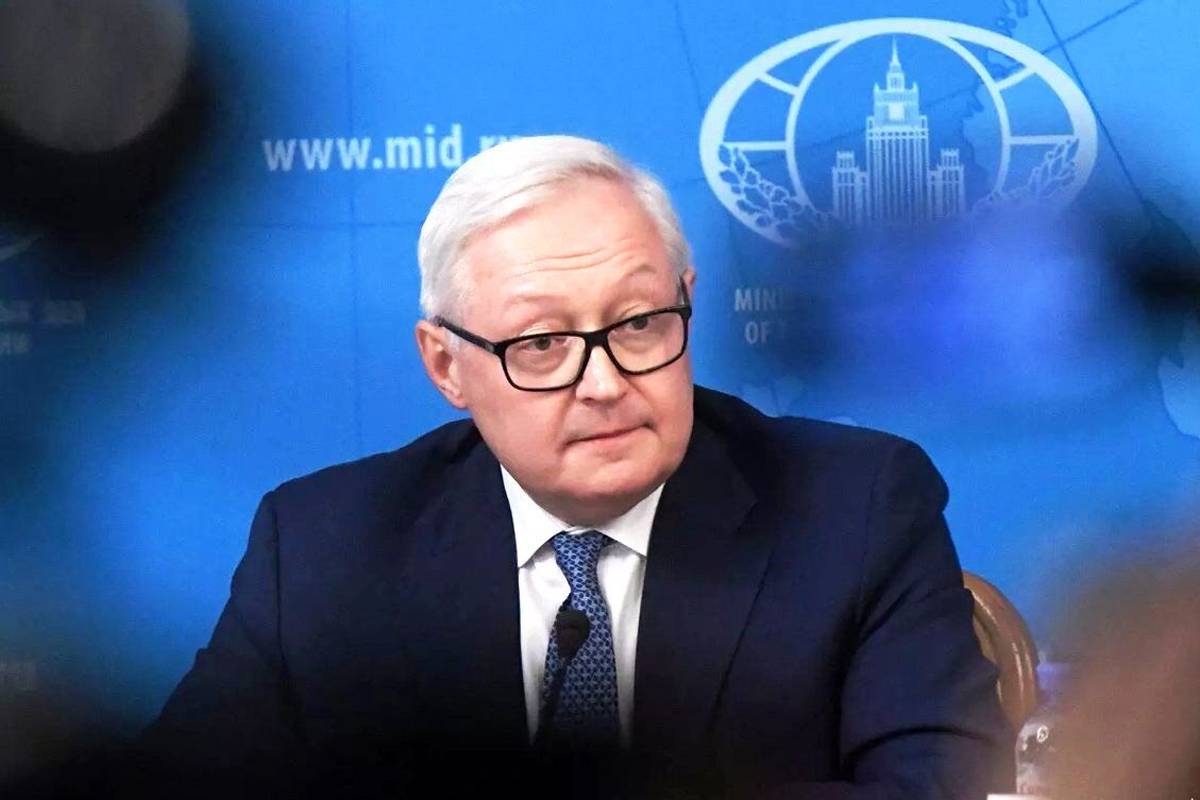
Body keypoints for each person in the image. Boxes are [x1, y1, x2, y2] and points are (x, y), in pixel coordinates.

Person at [133, 135, 1013, 798]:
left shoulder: (856, 506)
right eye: (542, 343)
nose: (604, 383)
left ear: (687, 305)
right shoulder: (324, 546)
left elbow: (938, 783)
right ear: (446, 365)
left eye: (639, 324)